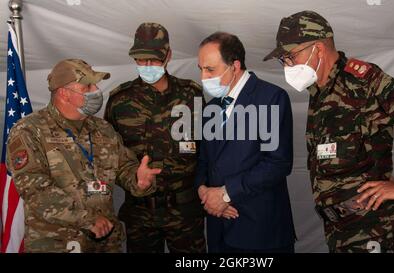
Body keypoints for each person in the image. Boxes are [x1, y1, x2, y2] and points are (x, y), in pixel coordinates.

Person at [264, 10, 394, 252]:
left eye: (290, 56)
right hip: (339, 230)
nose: (287, 64)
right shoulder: (319, 92)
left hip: (373, 229)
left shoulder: (363, 82)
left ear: (317, 49)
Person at [6, 59, 161, 253]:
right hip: (58, 243)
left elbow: (123, 167)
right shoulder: (29, 130)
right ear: (64, 93)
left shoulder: (103, 128)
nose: (96, 90)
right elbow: (35, 189)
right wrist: (87, 219)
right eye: (87, 86)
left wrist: (138, 180)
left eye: (95, 84)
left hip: (106, 242)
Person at [104, 22, 206, 253]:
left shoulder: (192, 95)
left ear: (168, 55)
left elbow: (208, 150)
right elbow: (109, 157)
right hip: (141, 214)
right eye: (141, 59)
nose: (147, 65)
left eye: (154, 59)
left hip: (186, 213)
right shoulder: (120, 101)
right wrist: (133, 179)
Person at [195, 31, 296, 253]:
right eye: (200, 69)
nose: (203, 78)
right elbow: (204, 159)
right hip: (218, 227)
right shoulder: (211, 107)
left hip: (259, 230)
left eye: (210, 69)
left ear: (235, 65)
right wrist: (204, 191)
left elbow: (277, 163)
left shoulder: (271, 98)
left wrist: (225, 194)